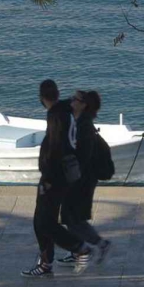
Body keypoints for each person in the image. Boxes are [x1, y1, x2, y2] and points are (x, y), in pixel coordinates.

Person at [24, 79, 94, 278]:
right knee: (46, 219)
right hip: (64, 175)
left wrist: (47, 177)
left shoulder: (56, 116)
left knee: (43, 222)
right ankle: (61, 255)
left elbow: (55, 149)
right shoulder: (65, 110)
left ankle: (75, 249)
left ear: (41, 98)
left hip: (54, 177)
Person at [60, 89, 112, 265]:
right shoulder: (79, 122)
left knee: (73, 218)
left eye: (75, 99)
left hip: (82, 180)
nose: (71, 100)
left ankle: (96, 245)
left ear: (83, 105)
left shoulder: (84, 127)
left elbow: (82, 157)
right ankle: (78, 251)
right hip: (81, 178)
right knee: (72, 217)